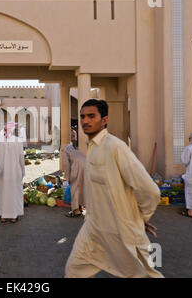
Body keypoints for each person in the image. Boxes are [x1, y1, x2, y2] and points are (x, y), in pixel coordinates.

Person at [65, 100, 162, 278]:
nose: (85, 121)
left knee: (142, 274)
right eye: (82, 117)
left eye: (91, 116)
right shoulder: (92, 147)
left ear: (104, 120)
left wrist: (139, 217)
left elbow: (150, 190)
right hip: (93, 229)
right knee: (74, 271)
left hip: (120, 231)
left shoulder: (115, 147)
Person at [0, 122, 25, 223]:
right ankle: (13, 216)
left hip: (2, 171)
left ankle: (3, 215)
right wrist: (22, 170)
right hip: (15, 171)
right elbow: (21, 158)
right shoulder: (18, 141)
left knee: (2, 191)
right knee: (14, 192)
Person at [61, 144, 86, 218]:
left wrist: (68, 178)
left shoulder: (65, 151)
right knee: (82, 187)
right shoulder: (78, 149)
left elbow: (66, 165)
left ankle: (76, 211)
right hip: (86, 166)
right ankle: (81, 206)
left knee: (74, 188)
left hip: (77, 167)